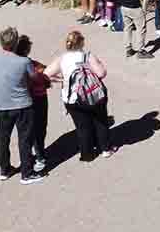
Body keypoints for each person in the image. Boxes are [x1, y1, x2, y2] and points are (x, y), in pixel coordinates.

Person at [45, 30, 113, 162]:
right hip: (93, 95)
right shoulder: (88, 56)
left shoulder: (62, 58)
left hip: (71, 98)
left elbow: (46, 74)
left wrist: (62, 80)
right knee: (100, 122)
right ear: (81, 42)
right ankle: (105, 149)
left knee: (82, 127)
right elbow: (101, 74)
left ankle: (86, 154)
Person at [0, 26, 41, 184]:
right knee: (25, 139)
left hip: (2, 105)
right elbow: (35, 78)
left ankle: (5, 169)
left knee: (3, 139)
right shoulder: (23, 62)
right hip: (23, 105)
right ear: (16, 42)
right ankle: (27, 173)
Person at [14, 35, 50, 173]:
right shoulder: (30, 64)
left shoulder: (15, 63)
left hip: (21, 101)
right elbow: (43, 79)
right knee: (39, 129)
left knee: (27, 131)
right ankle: (40, 157)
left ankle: (31, 157)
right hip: (37, 100)